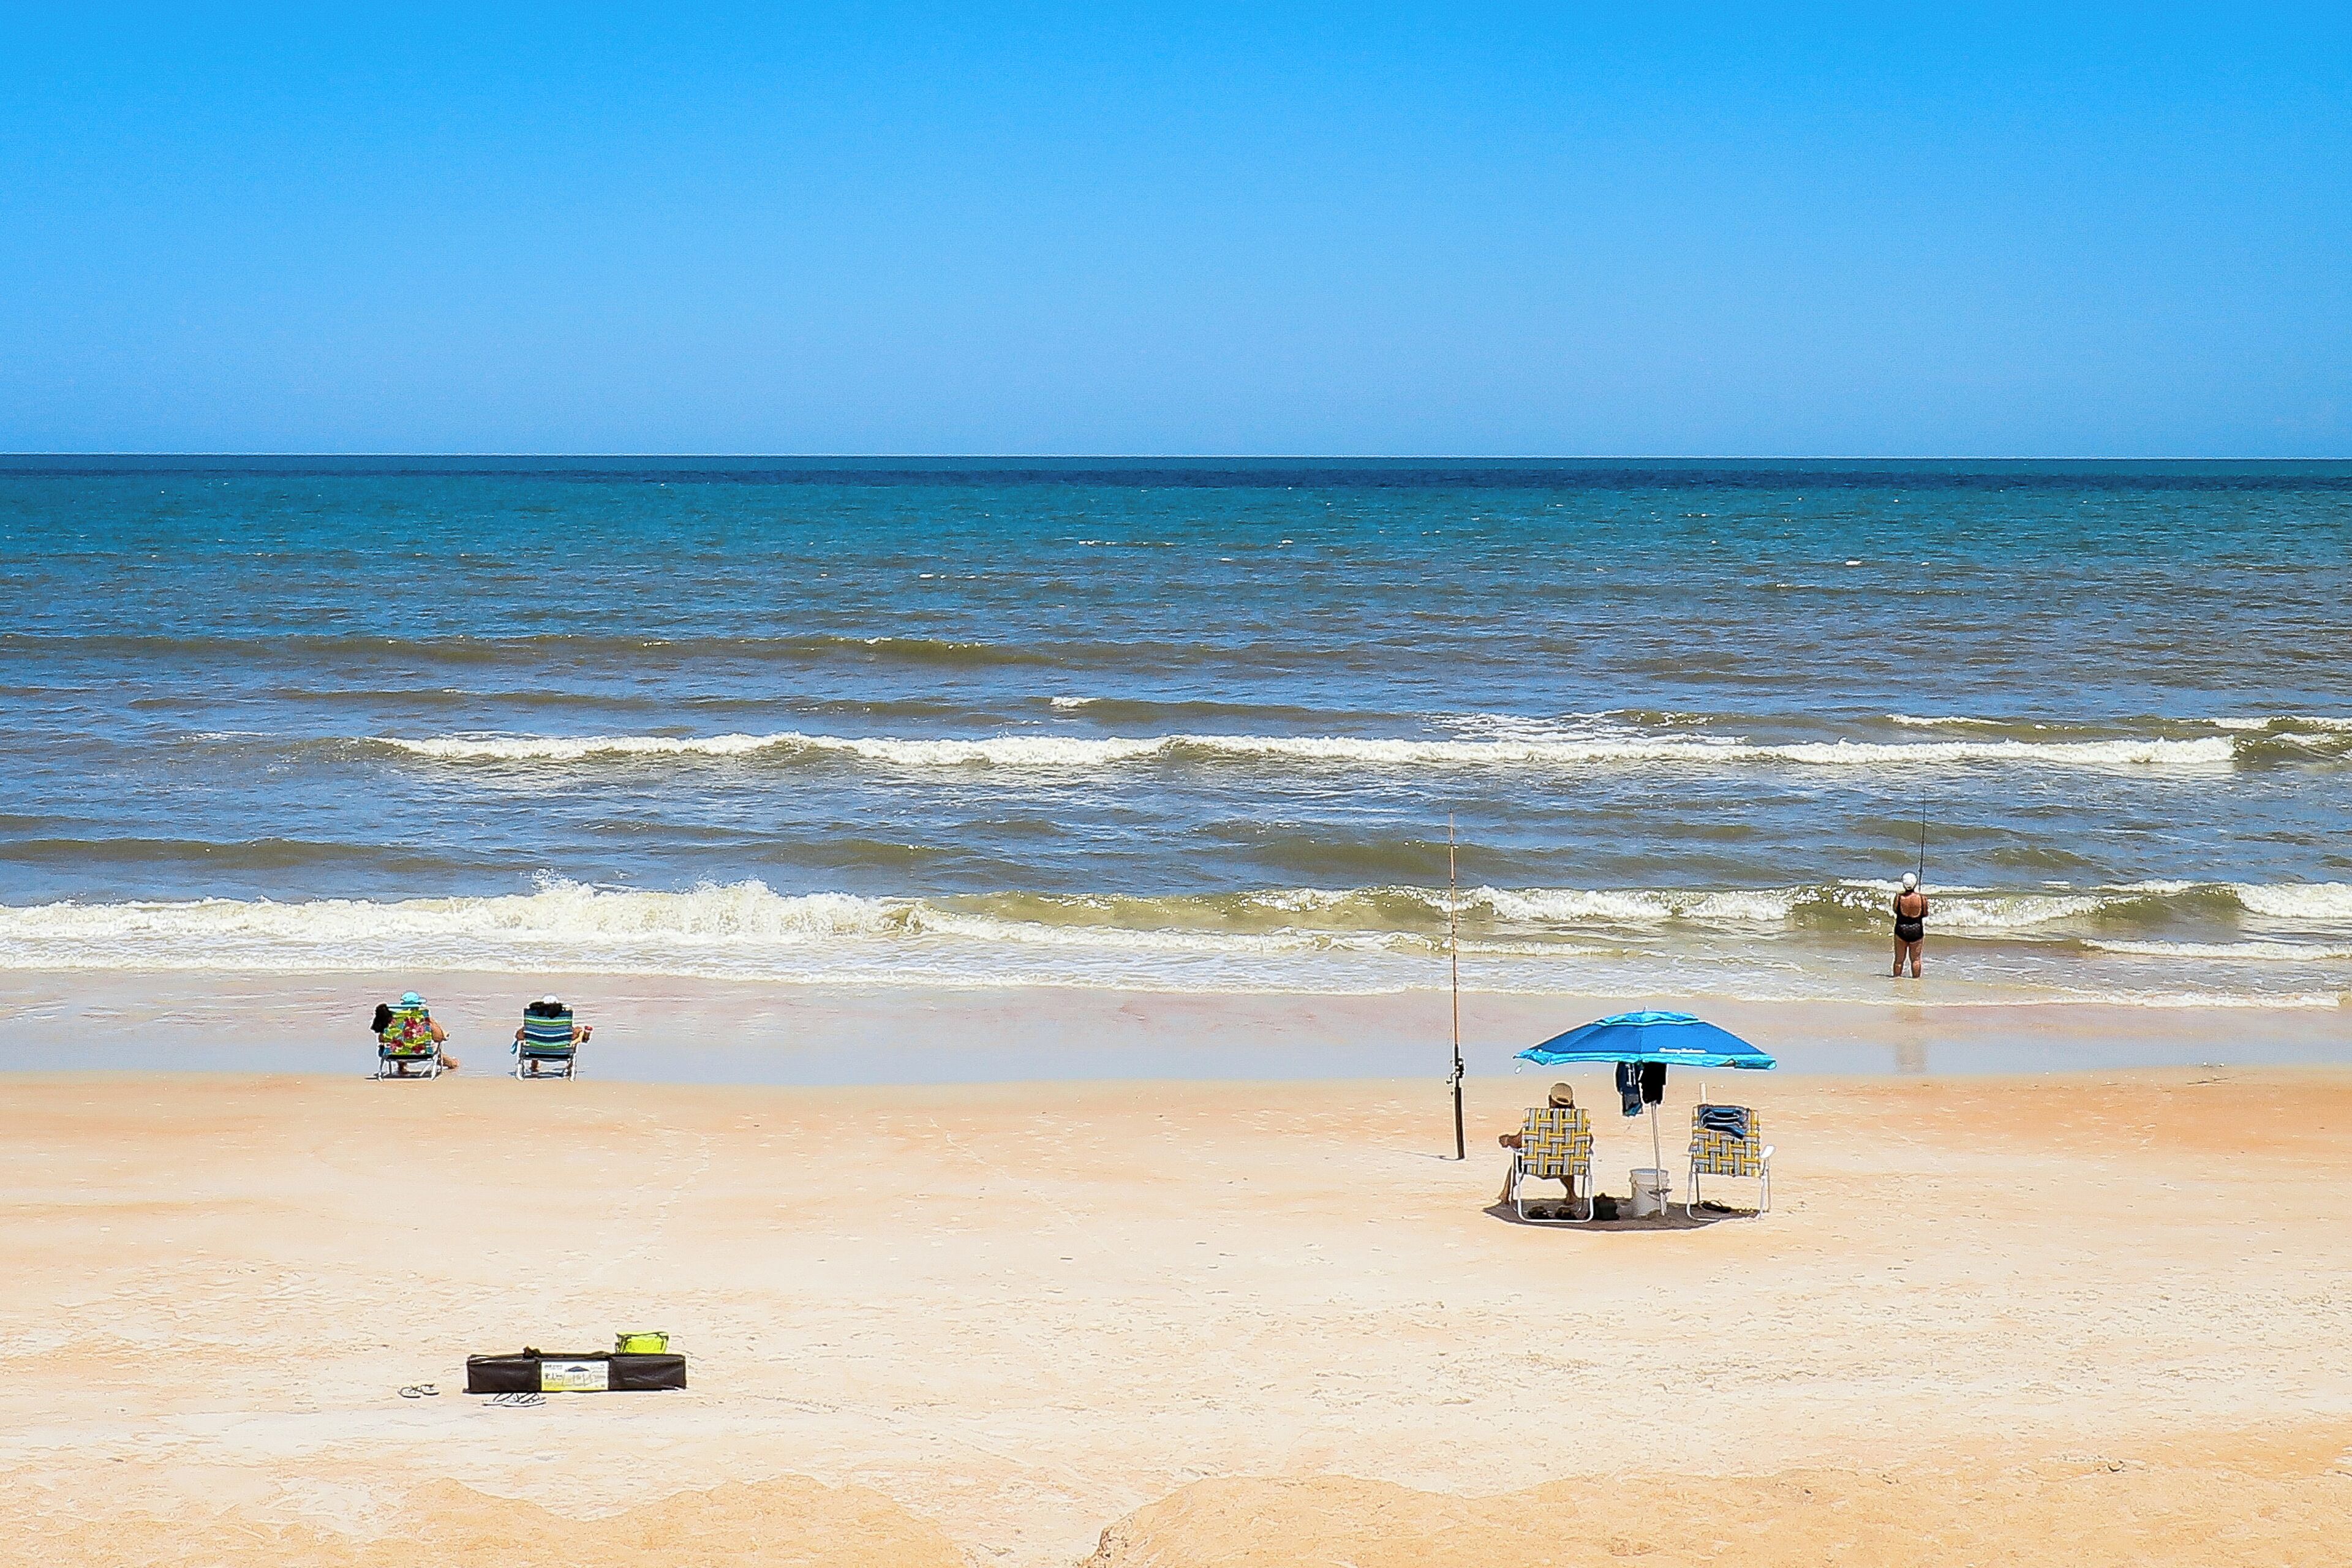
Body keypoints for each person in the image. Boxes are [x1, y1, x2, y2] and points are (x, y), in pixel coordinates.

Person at [1496, 1082, 1578, 1202]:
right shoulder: (1577, 1122)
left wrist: (1507, 1140)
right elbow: (1588, 1141)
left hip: (1537, 1166)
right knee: (1567, 1157)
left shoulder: (1538, 1120)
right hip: (1565, 1168)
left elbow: (1518, 1142)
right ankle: (1571, 1195)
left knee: (1516, 1161)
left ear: (1550, 1099)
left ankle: (1506, 1194)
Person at [376, 990, 460, 1071]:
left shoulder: (391, 1020)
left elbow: (382, 1039)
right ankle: (452, 1064)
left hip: (393, 1054)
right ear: (418, 1004)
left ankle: (402, 1067)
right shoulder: (423, 1017)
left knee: (399, 1042)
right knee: (431, 1046)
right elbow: (438, 1038)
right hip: (423, 1053)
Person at [513, 995, 592, 1049]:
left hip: (535, 1047)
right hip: (561, 1048)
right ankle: (569, 1067)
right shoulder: (564, 1015)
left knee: (533, 1034)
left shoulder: (535, 1016)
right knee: (577, 1031)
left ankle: (534, 1066)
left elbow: (519, 1036)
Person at [1892, 872, 1929, 979]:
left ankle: (1896, 981)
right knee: (1916, 960)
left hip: (1901, 929)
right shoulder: (1923, 899)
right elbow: (1925, 914)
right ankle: (1916, 983)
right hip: (1917, 930)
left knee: (1899, 960)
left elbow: (1895, 910)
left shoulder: (1899, 897)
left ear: (1904, 884)